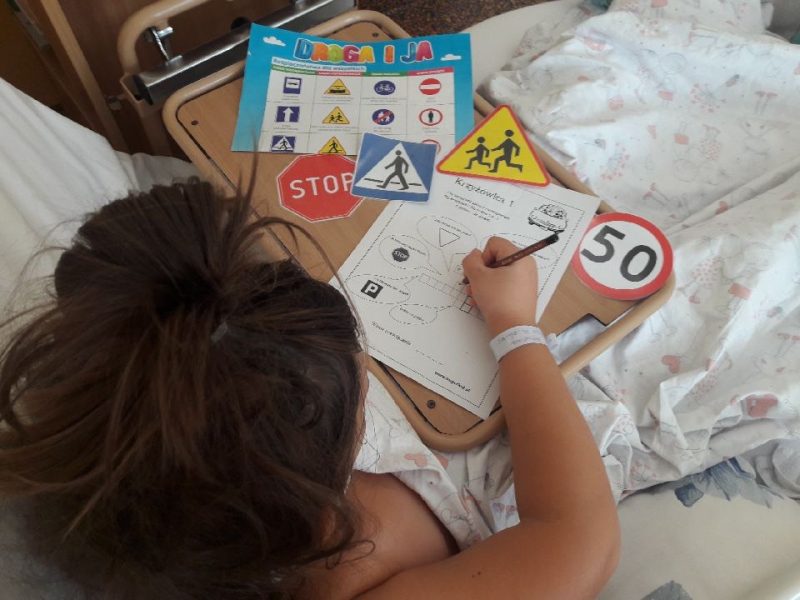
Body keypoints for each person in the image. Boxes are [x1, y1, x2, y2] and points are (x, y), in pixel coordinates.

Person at [0, 181, 619, 599]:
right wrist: (514, 326)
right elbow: (576, 532)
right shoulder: (363, 570)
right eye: (360, 377)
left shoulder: (118, 461)